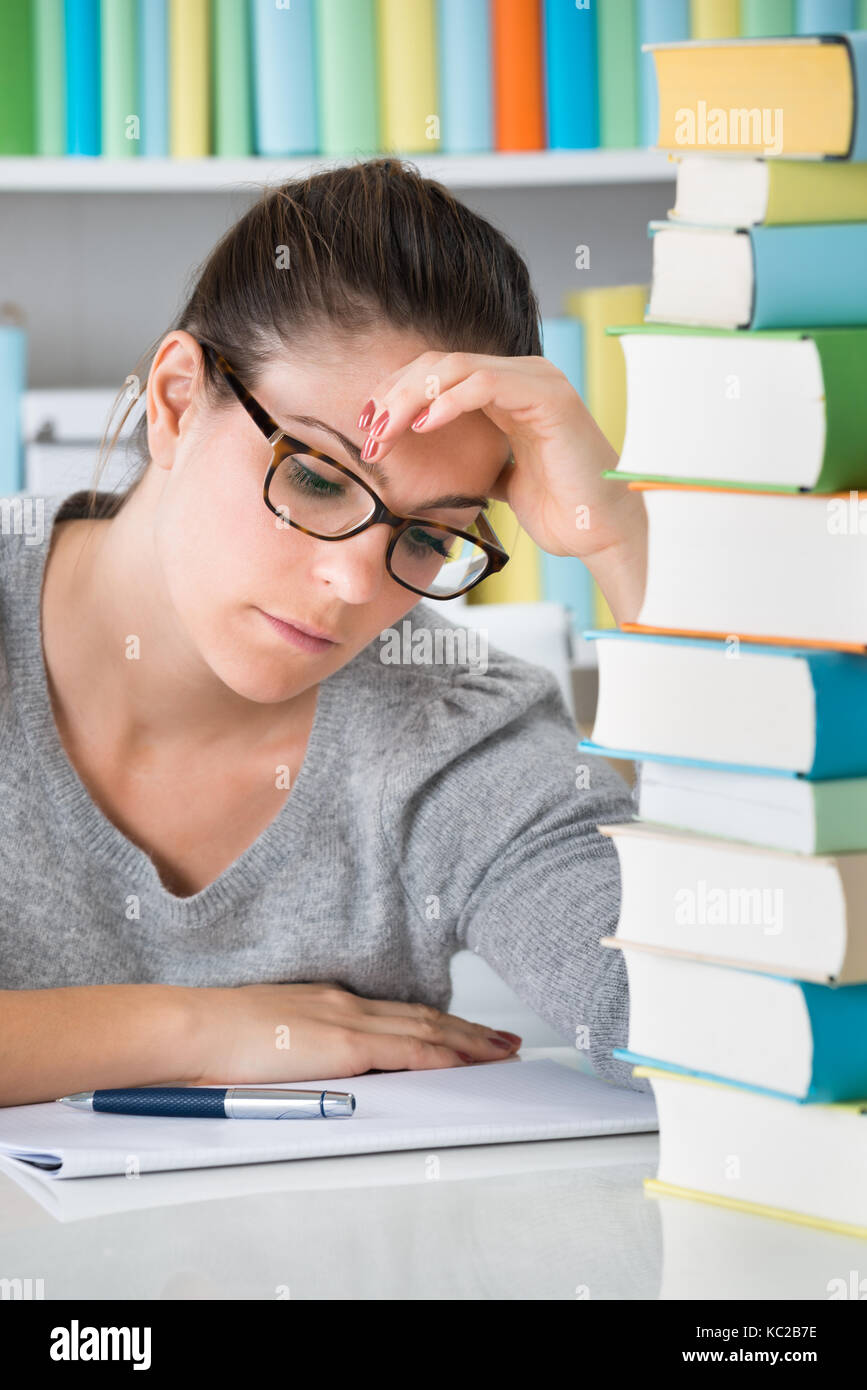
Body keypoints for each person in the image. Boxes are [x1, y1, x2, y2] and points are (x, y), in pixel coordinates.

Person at [0, 159, 648, 1106]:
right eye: (314, 476)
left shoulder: (453, 735)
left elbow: (732, 1044)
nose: (351, 582)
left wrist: (625, 544)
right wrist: (196, 1025)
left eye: (427, 536)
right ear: (177, 399)